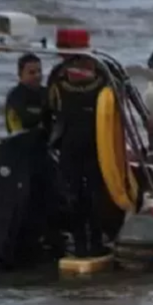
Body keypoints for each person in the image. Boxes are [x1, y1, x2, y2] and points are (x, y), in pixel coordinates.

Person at [47, 54, 109, 257]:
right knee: (91, 195)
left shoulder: (57, 78)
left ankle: (84, 245)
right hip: (94, 145)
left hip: (72, 145)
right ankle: (93, 244)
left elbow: (49, 110)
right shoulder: (103, 75)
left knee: (78, 196)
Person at [4, 53, 47, 134]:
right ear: (20, 74)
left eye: (39, 71)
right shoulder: (15, 96)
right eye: (32, 73)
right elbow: (26, 119)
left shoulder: (47, 93)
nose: (37, 75)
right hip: (20, 140)